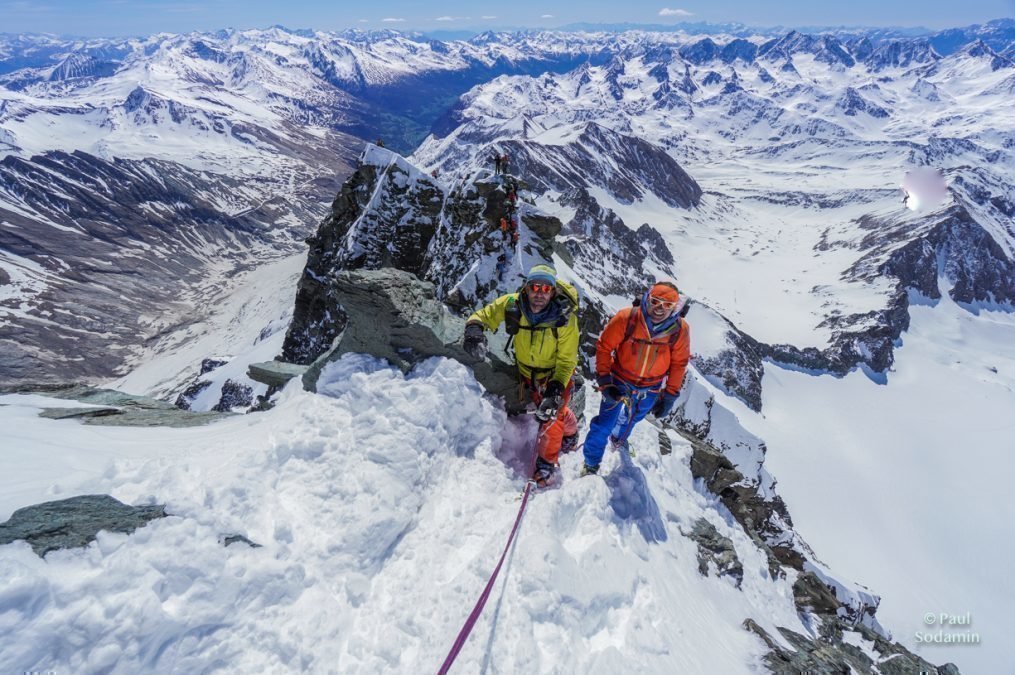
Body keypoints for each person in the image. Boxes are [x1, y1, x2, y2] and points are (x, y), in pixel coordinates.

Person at [463, 265, 580, 486]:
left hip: (556, 375)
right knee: (552, 411)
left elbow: (566, 361)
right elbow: (484, 315)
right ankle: (570, 431)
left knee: (553, 415)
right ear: (526, 289)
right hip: (526, 373)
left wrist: (555, 391)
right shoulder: (512, 304)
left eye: (546, 289)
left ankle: (547, 463)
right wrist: (474, 330)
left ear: (553, 293)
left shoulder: (565, 320)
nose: (539, 293)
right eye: (535, 287)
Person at [580, 282, 691, 476]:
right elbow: (604, 347)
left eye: (667, 305)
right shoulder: (627, 318)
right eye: (655, 302)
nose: (659, 308)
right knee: (604, 424)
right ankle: (591, 464)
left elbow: (679, 364)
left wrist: (670, 394)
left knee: (633, 419)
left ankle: (618, 439)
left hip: (650, 387)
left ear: (675, 308)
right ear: (647, 299)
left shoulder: (680, 330)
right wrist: (605, 381)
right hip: (619, 380)